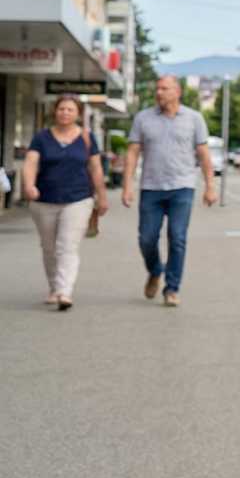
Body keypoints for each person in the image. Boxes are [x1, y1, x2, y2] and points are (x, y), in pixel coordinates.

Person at [122, 74, 215, 306]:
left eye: (164, 88)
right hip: (151, 187)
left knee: (178, 237)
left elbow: (204, 154)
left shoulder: (194, 119)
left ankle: (172, 288)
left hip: (182, 187)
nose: (159, 93)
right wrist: (127, 185)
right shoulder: (143, 118)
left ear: (177, 92)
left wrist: (210, 187)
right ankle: (155, 270)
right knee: (147, 238)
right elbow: (133, 152)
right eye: (158, 88)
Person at [22, 95, 108, 310]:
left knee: (67, 246)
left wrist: (102, 196)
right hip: (44, 200)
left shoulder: (87, 138)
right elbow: (31, 163)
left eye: (70, 109)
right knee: (49, 248)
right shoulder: (41, 138)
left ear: (78, 114)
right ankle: (54, 287)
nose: (65, 113)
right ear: (55, 111)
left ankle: (64, 291)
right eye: (62, 109)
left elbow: (96, 168)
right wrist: (29, 185)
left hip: (78, 199)